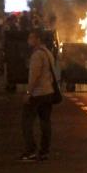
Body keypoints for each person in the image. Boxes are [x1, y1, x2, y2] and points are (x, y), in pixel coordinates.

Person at [19, 29, 57, 162]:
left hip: (37, 94)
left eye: (31, 38)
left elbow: (34, 77)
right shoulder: (48, 53)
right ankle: (44, 151)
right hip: (48, 92)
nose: (29, 40)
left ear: (38, 39)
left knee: (26, 122)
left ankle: (30, 151)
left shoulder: (37, 55)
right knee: (45, 123)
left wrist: (28, 93)